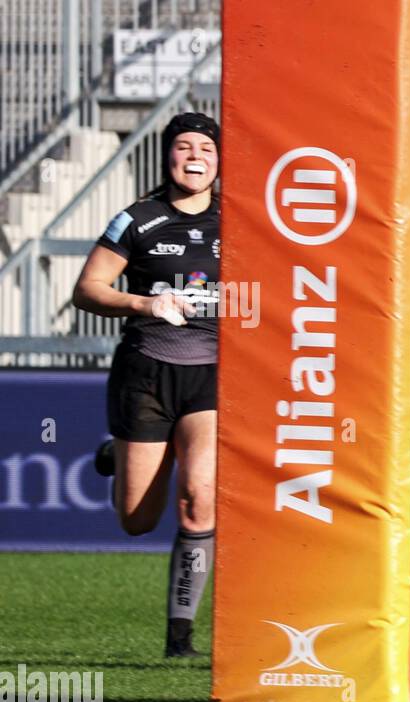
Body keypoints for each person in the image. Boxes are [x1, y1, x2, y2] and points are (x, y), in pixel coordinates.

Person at [72, 112, 222, 658]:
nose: (194, 156)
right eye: (183, 147)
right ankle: (120, 450)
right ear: (168, 156)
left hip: (212, 376)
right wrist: (142, 301)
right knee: (137, 520)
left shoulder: (242, 219)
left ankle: (179, 639)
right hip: (145, 372)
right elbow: (87, 289)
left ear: (219, 160)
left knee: (199, 500)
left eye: (205, 148)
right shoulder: (137, 220)